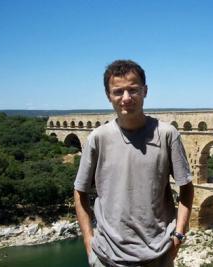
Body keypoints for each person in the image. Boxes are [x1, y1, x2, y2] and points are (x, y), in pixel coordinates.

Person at [74, 59, 194, 267]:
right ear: (108, 96)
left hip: (158, 257)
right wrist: (88, 241)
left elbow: (186, 187)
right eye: (118, 91)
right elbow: (79, 191)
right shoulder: (97, 138)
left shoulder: (167, 135)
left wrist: (178, 236)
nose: (126, 98)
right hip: (105, 258)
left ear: (145, 91)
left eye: (133, 90)